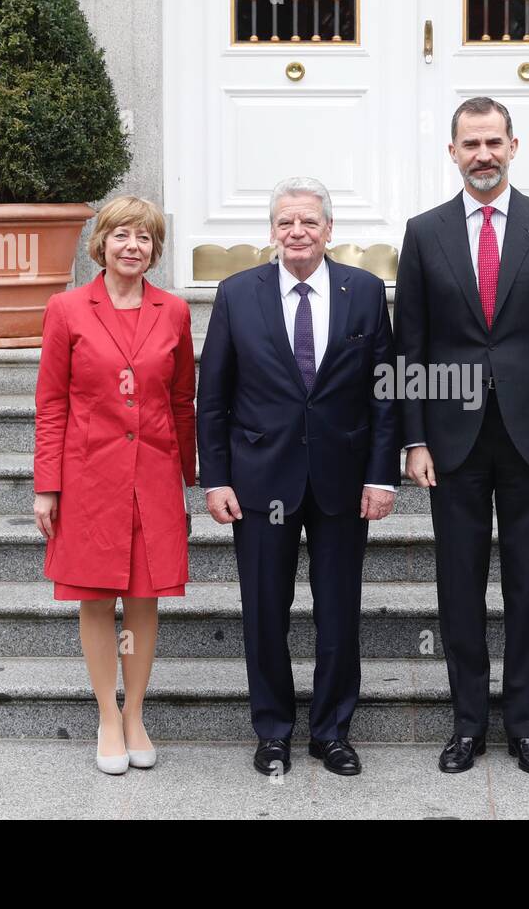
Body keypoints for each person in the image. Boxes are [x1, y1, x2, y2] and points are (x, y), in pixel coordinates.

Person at [394, 97, 529, 775]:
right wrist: (413, 439)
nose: (483, 154)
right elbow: (409, 346)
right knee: (459, 585)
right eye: (470, 143)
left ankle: (526, 728)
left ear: (514, 146)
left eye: (493, 142)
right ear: (452, 152)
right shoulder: (424, 233)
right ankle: (468, 726)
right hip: (451, 439)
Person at [197, 177, 399, 777]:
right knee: (265, 610)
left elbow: (384, 392)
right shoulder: (237, 294)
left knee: (339, 611)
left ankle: (332, 731)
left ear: (329, 229)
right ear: (272, 232)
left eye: (309, 221)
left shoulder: (363, 291)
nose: (297, 232)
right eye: (286, 222)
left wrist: (382, 476)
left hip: (342, 479)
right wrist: (216, 478)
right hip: (260, 481)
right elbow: (213, 396)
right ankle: (274, 731)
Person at [33, 195, 196, 775]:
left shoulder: (174, 311)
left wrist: (194, 477)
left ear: (155, 250)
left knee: (145, 597)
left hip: (152, 474)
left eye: (145, 238)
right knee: (97, 597)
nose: (133, 246)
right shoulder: (68, 309)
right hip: (87, 477)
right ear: (100, 243)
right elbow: (51, 402)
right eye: (122, 235)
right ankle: (107, 715)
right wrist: (46, 485)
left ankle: (135, 716)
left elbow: (182, 400)